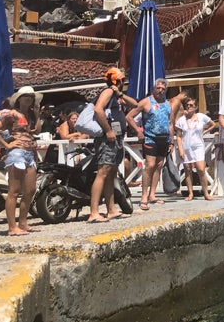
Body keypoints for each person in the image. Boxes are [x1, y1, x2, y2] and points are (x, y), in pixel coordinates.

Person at [88, 67, 138, 223]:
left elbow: (135, 104)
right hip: (107, 139)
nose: (124, 82)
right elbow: (98, 109)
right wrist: (108, 130)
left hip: (116, 138)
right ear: (118, 80)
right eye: (123, 80)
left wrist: (120, 94)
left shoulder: (115, 94)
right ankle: (94, 212)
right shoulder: (108, 92)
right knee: (103, 172)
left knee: (111, 174)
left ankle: (111, 210)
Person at [128, 78, 184, 210]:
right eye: (158, 88)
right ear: (154, 88)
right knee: (150, 165)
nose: (160, 91)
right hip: (150, 138)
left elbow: (170, 123)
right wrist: (138, 131)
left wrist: (171, 141)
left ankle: (152, 195)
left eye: (163, 89)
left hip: (164, 139)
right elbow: (129, 117)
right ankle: (144, 196)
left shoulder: (168, 104)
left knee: (158, 165)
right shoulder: (146, 102)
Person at [0, 109, 39, 236]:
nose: (30, 100)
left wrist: (38, 115)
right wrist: (7, 145)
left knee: (30, 190)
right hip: (17, 153)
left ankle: (23, 222)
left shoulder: (28, 115)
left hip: (29, 152)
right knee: (14, 190)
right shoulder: (10, 115)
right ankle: (12, 227)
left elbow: (36, 131)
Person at [174, 97, 216, 201]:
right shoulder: (182, 120)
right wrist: (180, 149)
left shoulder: (201, 116)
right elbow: (179, 136)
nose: (189, 107)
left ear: (196, 107)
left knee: (201, 169)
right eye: (187, 105)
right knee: (187, 170)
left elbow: (213, 124)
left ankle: (206, 192)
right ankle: (190, 193)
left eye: (191, 105)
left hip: (198, 146)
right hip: (186, 146)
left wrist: (205, 131)